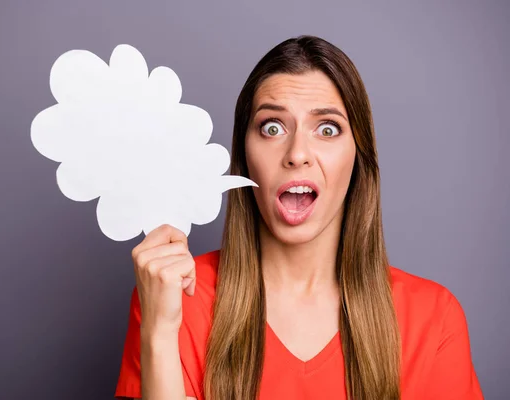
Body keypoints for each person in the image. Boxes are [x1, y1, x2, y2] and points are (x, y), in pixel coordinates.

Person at [114, 35, 484, 400]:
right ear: (244, 154)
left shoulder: (432, 317)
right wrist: (160, 332)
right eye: (272, 127)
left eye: (327, 129)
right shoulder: (175, 297)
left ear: (358, 159)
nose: (297, 153)